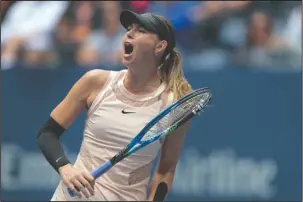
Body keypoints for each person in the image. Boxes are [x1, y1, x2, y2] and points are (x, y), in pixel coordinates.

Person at [37, 9, 192, 201]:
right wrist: (65, 168)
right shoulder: (95, 81)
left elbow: (166, 170)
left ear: (160, 46)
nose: (129, 33)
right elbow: (48, 133)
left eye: (141, 30)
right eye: (129, 29)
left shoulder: (172, 105)